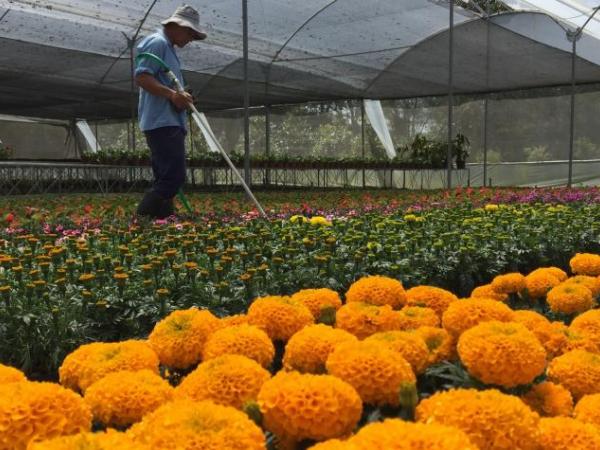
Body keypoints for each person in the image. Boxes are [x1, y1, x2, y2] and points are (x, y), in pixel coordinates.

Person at [134, 5, 207, 219]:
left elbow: (165, 83)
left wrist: (182, 97)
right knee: (173, 178)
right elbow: (142, 77)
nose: (191, 38)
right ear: (176, 26)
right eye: (190, 32)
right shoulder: (157, 42)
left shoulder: (168, 47)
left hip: (168, 120)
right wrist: (173, 96)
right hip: (162, 122)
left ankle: (163, 221)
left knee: (165, 177)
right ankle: (140, 219)